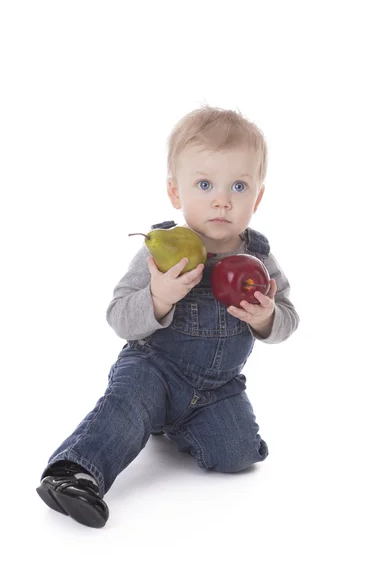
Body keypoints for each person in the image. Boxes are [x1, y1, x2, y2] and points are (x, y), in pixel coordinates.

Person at [36, 105, 300, 528]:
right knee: (127, 408)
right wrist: (157, 297)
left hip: (216, 386)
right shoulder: (162, 250)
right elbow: (119, 317)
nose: (221, 199)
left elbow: (288, 320)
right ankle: (74, 472)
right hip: (152, 370)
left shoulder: (260, 260)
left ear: (258, 196)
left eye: (238, 185)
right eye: (203, 184)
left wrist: (266, 317)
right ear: (175, 193)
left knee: (239, 455)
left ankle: (173, 422)